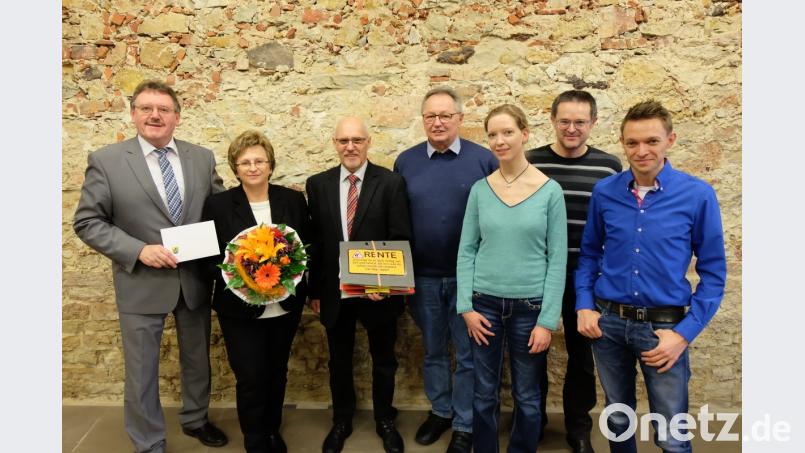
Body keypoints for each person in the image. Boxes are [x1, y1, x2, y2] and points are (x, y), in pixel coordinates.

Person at [73, 80, 228, 452]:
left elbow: (221, 209)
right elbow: (87, 222)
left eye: (163, 109)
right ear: (133, 114)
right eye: (146, 108)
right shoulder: (107, 160)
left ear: (177, 116)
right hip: (140, 281)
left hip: (192, 280)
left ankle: (195, 419)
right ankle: (148, 439)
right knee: (141, 370)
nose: (154, 115)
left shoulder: (202, 157)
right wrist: (138, 250)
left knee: (197, 359)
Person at [575, 100, 727, 453]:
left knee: (672, 433)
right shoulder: (605, 193)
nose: (641, 151)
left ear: (670, 140)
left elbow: (714, 274)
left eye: (652, 141)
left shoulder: (697, 195)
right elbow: (589, 255)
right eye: (632, 143)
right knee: (617, 421)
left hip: (664, 331)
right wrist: (585, 305)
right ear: (623, 143)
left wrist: (683, 335)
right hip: (609, 325)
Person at [457, 104, 567, 453]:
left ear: (525, 134)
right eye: (492, 134)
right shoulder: (480, 190)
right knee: (483, 391)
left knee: (528, 395)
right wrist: (466, 307)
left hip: (530, 309)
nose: (499, 141)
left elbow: (557, 259)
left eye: (507, 132)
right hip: (484, 306)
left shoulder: (550, 192)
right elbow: (467, 251)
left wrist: (547, 321)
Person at [393, 86, 497, 452]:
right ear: (423, 120)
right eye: (430, 116)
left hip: (470, 280)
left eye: (445, 116)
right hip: (422, 277)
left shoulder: (484, 160)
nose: (437, 123)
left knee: (468, 354)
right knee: (434, 349)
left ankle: (465, 424)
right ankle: (441, 410)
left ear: (459, 119)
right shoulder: (405, 162)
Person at [305, 117, 413, 453]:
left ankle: (384, 419)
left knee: (384, 359)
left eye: (357, 140)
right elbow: (317, 242)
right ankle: (342, 420)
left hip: (378, 292)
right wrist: (314, 291)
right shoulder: (318, 184)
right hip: (335, 294)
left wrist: (390, 285)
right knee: (339, 360)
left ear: (368, 142)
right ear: (334, 143)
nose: (350, 147)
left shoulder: (391, 182)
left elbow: (400, 236)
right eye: (343, 141)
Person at [525, 90, 622, 453]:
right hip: (537, 276)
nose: (571, 128)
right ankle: (531, 423)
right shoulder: (531, 162)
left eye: (580, 121)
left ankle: (578, 428)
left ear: (593, 123)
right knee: (532, 352)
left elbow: (614, 224)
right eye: (564, 120)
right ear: (552, 120)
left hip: (587, 280)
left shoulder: (609, 167)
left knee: (582, 358)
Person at [201, 130, 310, 453]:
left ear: (270, 165)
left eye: (258, 160)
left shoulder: (291, 200)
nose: (252, 167)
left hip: (285, 305)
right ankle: (255, 436)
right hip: (239, 309)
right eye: (244, 162)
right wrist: (240, 278)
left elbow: (306, 247)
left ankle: (272, 429)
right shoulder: (218, 205)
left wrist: (287, 274)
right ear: (235, 169)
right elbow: (208, 259)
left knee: (277, 371)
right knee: (250, 375)